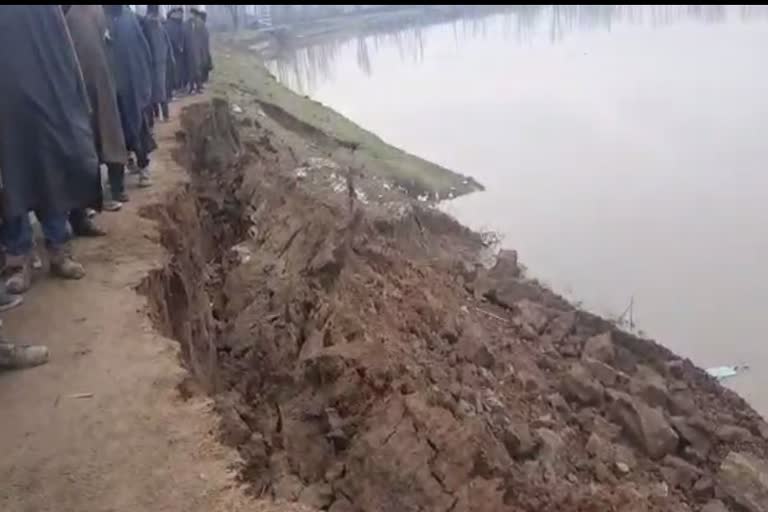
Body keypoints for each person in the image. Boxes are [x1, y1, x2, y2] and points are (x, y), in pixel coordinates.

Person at [0, 5, 99, 292]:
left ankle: (59, 250)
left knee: (52, 176)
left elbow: (65, 53)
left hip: (48, 102)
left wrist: (77, 97)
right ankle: (19, 259)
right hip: (9, 110)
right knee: (14, 183)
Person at [64, 4, 131, 234]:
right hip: (82, 90)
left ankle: (108, 195)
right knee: (90, 148)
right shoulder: (72, 15)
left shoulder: (87, 12)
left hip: (97, 86)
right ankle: (85, 209)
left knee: (104, 141)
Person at [104, 5, 156, 188]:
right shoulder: (101, 18)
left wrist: (144, 85)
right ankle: (121, 170)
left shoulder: (130, 19)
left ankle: (143, 167)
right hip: (112, 88)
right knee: (116, 132)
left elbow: (143, 52)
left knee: (138, 128)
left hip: (133, 85)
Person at [141, 5, 175, 122]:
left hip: (152, 63)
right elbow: (168, 44)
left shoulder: (146, 25)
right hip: (161, 62)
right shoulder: (161, 26)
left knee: (152, 91)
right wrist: (170, 58)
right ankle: (164, 115)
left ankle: (155, 117)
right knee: (161, 89)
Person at [165, 7, 186, 95]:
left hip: (178, 52)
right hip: (174, 52)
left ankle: (179, 87)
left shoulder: (178, 23)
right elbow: (172, 37)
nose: (180, 15)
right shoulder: (171, 24)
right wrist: (179, 47)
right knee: (175, 71)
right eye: (178, 13)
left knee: (178, 70)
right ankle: (174, 89)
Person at [183, 7, 204, 95]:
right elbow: (184, 36)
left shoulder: (200, 23)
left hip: (198, 49)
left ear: (195, 15)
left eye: (193, 14)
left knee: (198, 68)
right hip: (189, 49)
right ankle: (191, 87)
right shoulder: (186, 24)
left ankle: (198, 86)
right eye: (190, 14)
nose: (191, 15)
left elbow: (203, 37)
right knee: (190, 69)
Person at [199, 11, 213, 85]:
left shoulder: (203, 27)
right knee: (203, 65)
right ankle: (202, 80)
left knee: (204, 65)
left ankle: (203, 80)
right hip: (202, 50)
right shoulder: (202, 27)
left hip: (204, 50)